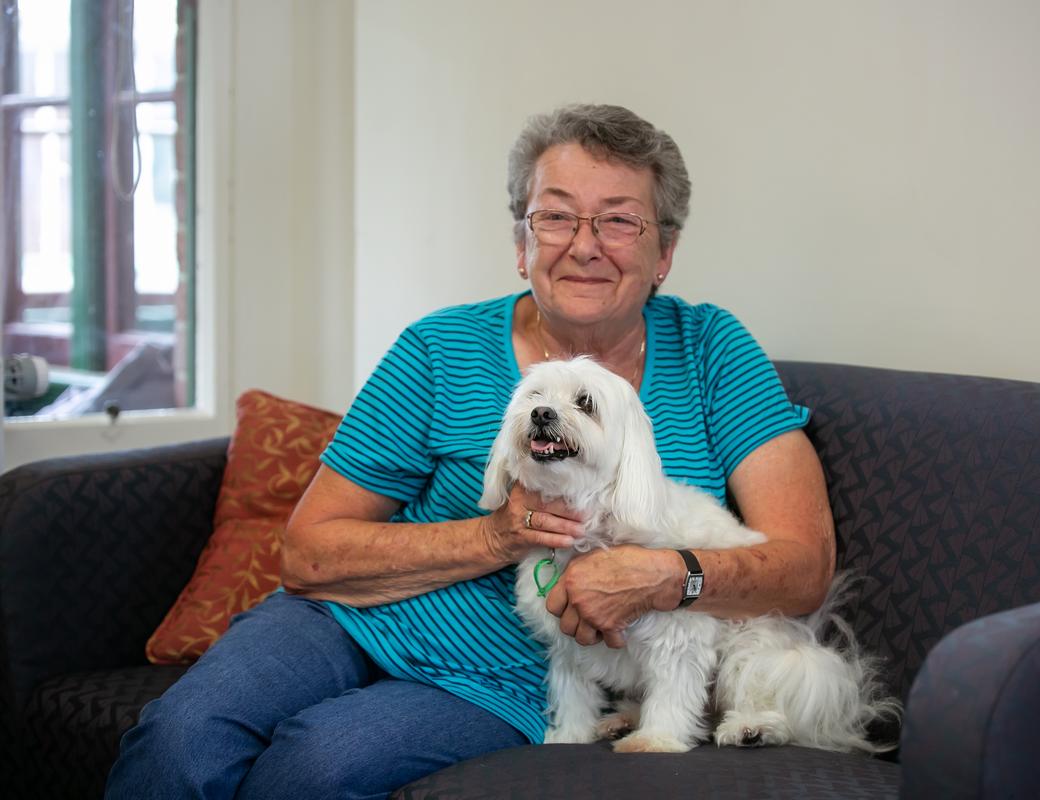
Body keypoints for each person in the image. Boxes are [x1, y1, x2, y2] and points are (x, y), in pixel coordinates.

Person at [105, 104, 836, 799]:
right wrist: (497, 534)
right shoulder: (438, 349)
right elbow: (307, 553)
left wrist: (664, 575)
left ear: (664, 252)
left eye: (619, 221)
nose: (584, 245)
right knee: (180, 737)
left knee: (316, 765)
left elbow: (803, 569)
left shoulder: (713, 352)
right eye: (554, 217)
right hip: (346, 618)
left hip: (517, 672)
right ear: (522, 246)